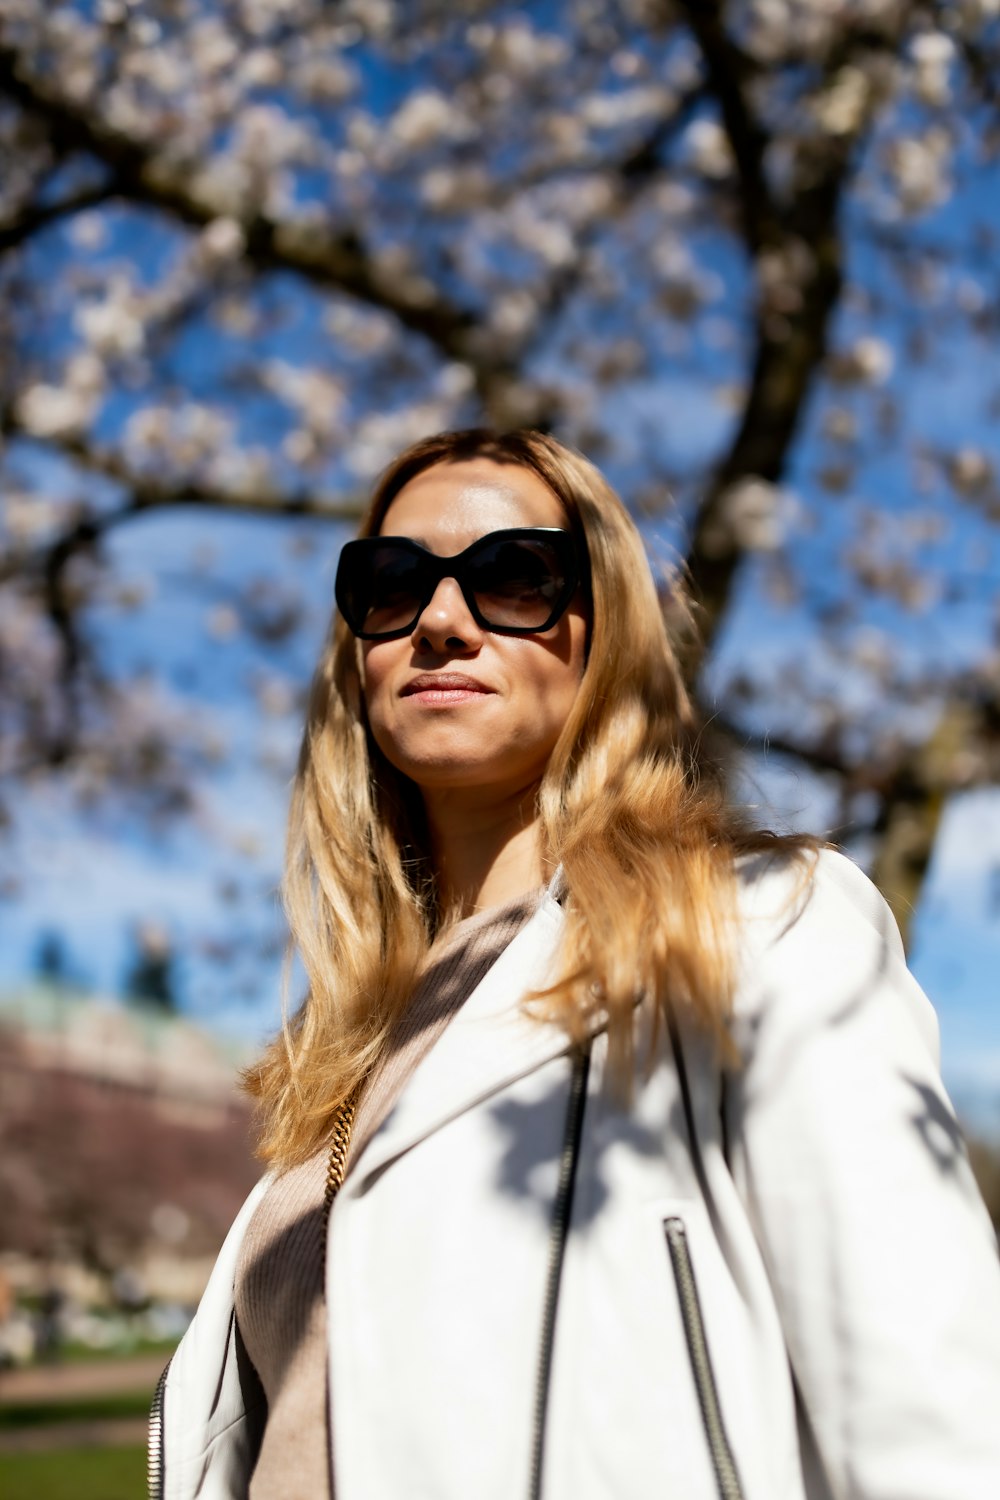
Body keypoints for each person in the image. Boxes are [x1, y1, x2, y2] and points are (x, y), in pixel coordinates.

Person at [149, 428, 1000, 1500]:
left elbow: (924, 1406)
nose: (443, 623)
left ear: (606, 638)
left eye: (515, 579)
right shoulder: (350, 1041)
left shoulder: (758, 924)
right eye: (394, 584)